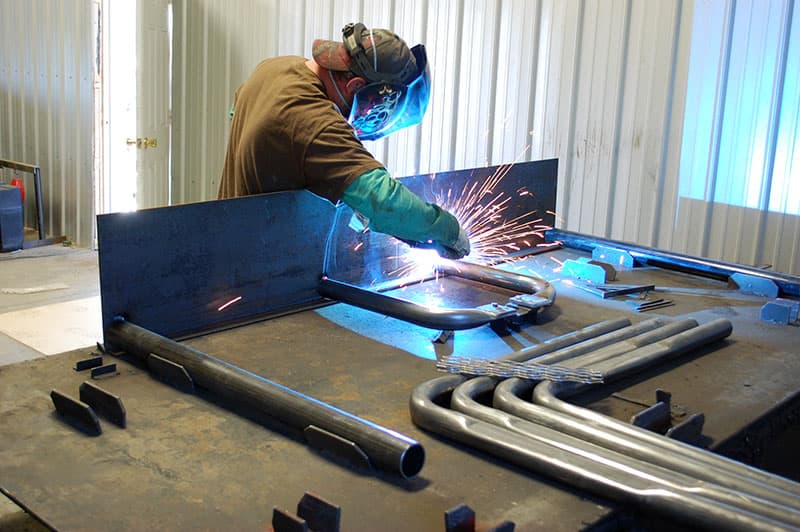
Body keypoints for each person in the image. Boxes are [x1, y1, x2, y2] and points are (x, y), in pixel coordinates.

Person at [218, 22, 470, 259]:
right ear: (355, 85)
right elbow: (383, 201)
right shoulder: (316, 121)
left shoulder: (276, 68)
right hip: (260, 266)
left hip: (226, 235)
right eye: (378, 103)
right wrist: (449, 230)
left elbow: (235, 111)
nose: (374, 111)